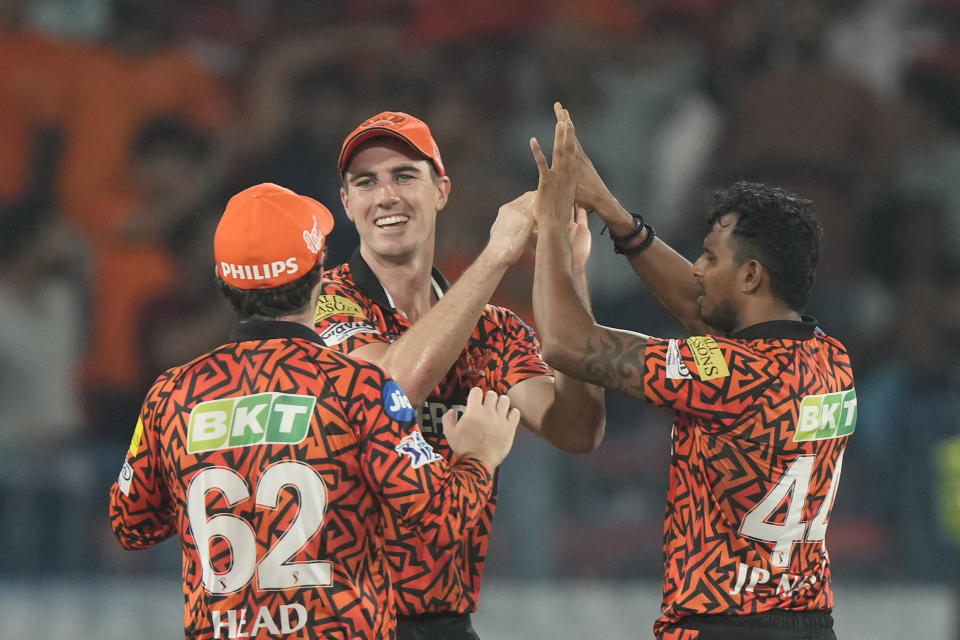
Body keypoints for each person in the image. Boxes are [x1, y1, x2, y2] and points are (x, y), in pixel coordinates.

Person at [108, 182, 522, 640]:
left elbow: (132, 525)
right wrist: (479, 457)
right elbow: (441, 523)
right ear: (319, 272)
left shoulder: (171, 395)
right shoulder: (358, 387)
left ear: (224, 283)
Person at [529, 104, 855, 640]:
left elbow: (566, 345)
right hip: (808, 623)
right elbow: (702, 307)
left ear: (750, 275)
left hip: (721, 624)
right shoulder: (830, 358)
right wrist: (615, 214)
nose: (697, 269)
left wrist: (551, 234)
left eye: (709, 258)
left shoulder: (724, 373)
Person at [314, 111, 606, 639]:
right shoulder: (323, 306)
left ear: (441, 190)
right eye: (366, 182)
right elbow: (388, 391)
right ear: (347, 204)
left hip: (446, 622)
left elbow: (577, 428)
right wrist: (498, 253)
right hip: (344, 621)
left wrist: (570, 270)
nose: (385, 196)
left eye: (405, 176)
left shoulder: (493, 331)